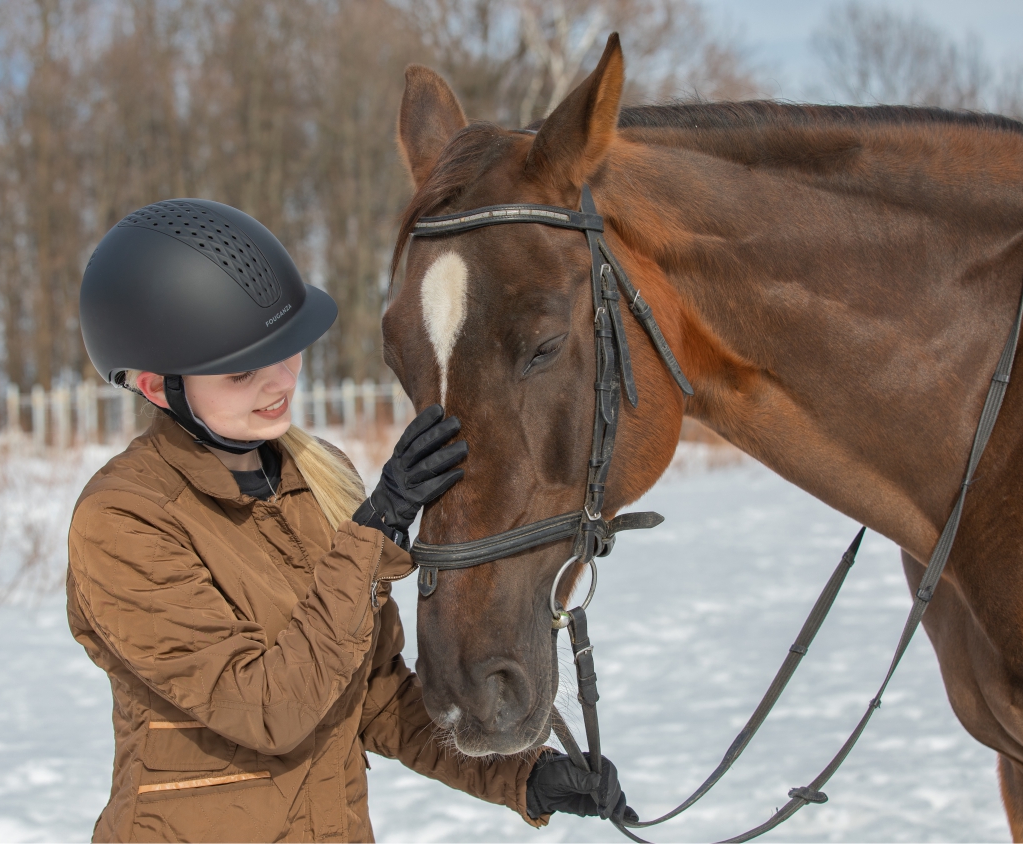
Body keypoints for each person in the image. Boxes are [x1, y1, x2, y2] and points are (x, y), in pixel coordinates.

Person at [69, 198, 634, 842]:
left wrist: (523, 777)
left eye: (286, 350)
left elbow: (373, 698)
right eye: (242, 371)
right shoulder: (122, 521)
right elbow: (266, 709)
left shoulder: (316, 478)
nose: (280, 382)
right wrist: (376, 533)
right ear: (155, 386)